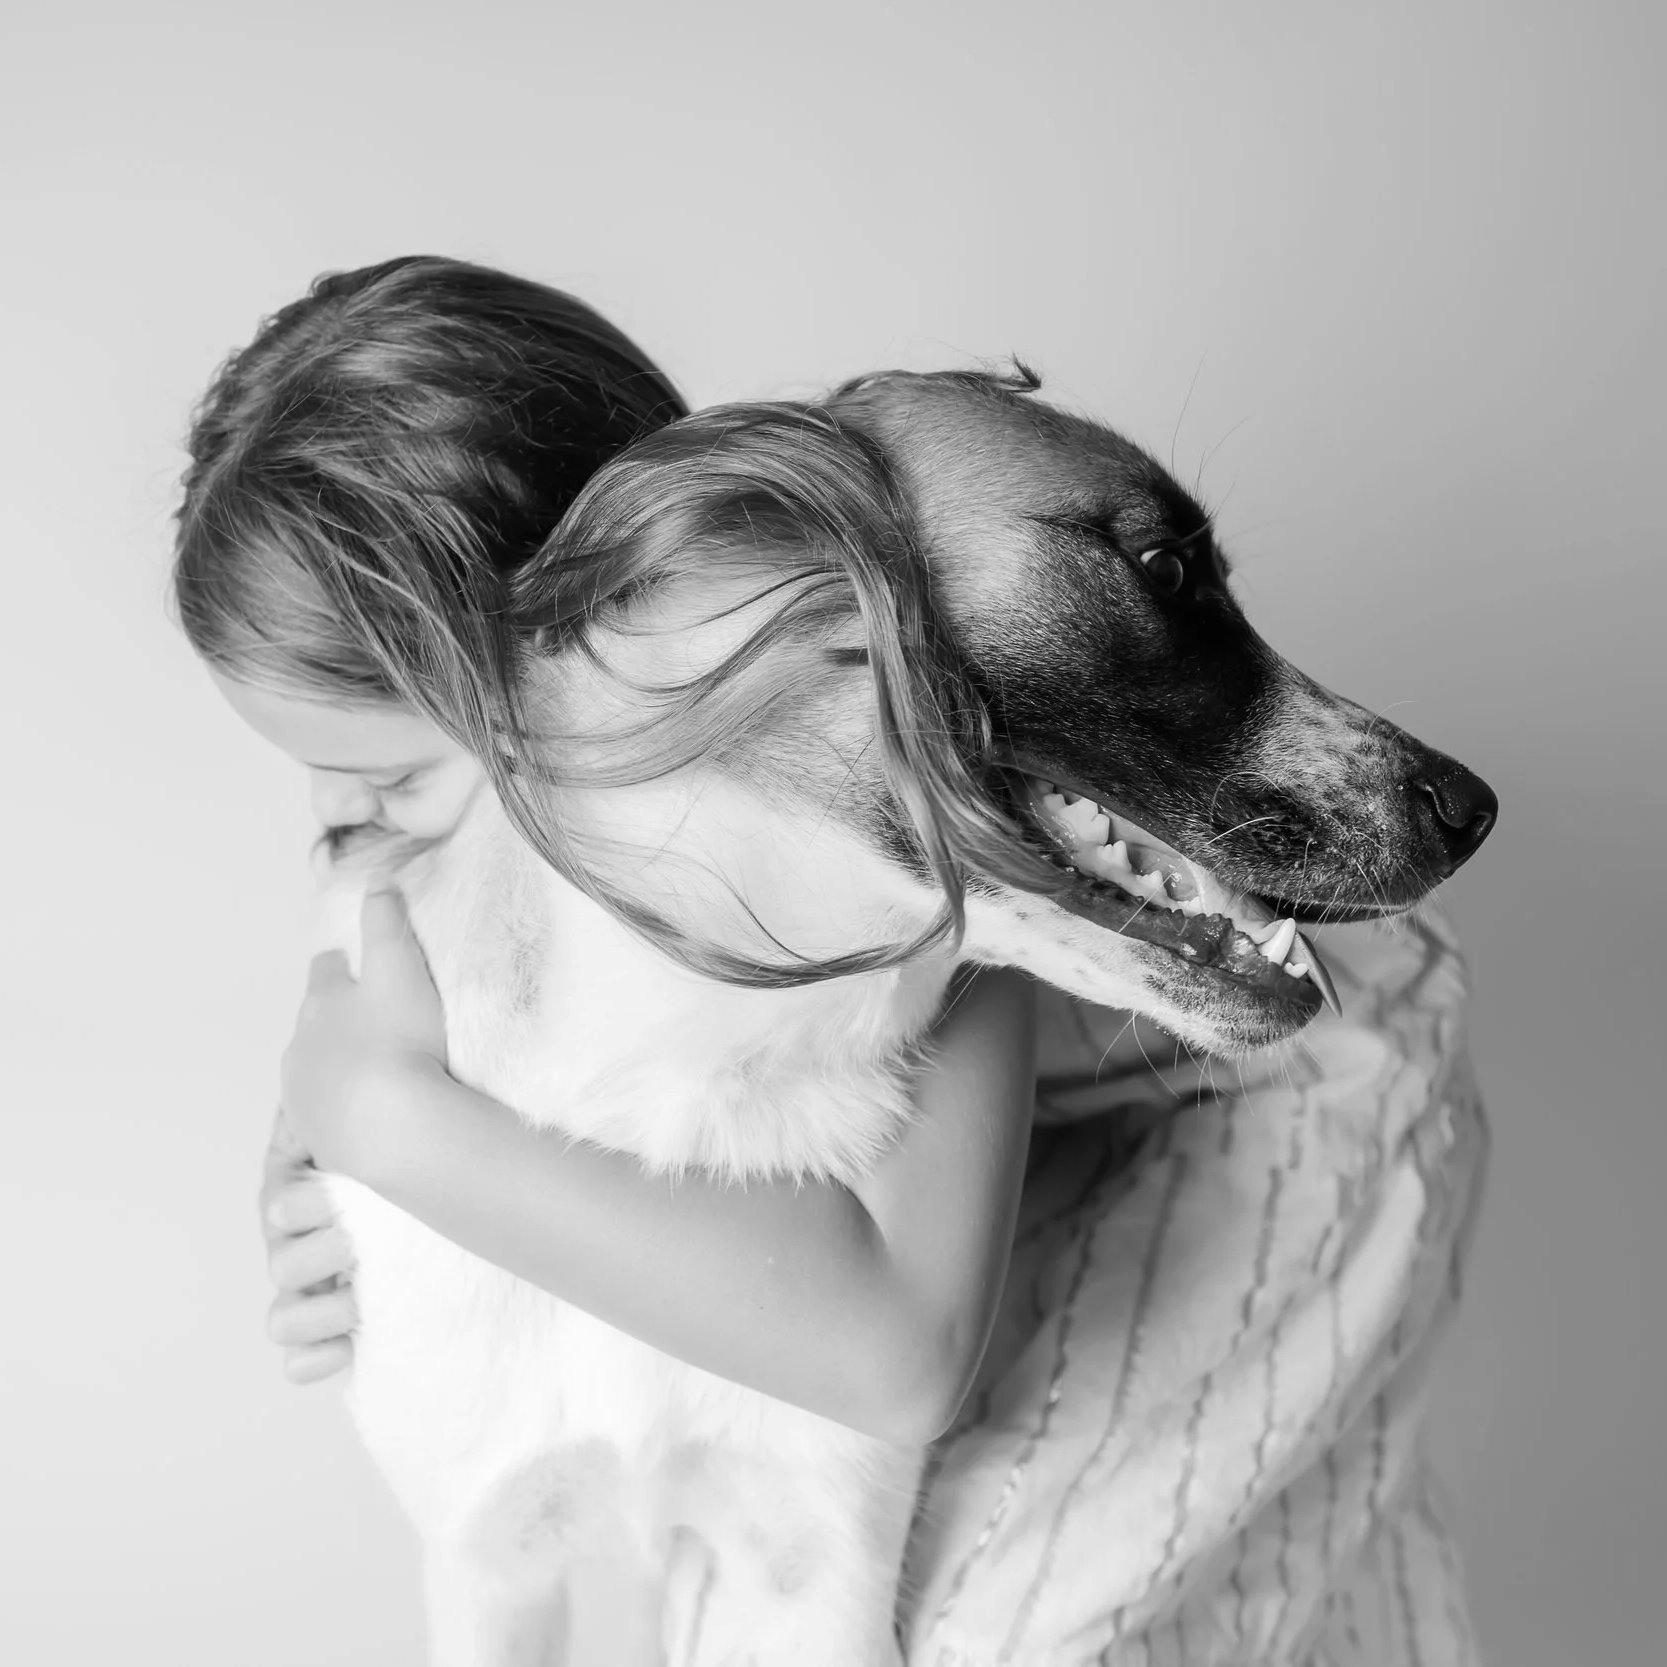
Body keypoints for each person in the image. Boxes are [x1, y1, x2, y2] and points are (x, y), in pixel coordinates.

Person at [176, 256, 1489, 1664]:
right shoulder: (580, 857)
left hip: (1283, 1104)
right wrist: (330, 1140)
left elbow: (896, 1349)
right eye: (337, 797)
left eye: (391, 785)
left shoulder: (906, 812)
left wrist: (399, 1128)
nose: (358, 837)